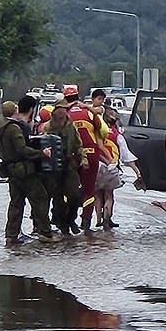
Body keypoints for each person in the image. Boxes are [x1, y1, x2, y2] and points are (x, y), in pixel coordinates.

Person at [0, 100, 56, 244]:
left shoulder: (0, 128)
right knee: (40, 198)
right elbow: (22, 149)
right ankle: (45, 233)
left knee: (16, 203)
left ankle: (11, 235)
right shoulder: (14, 128)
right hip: (24, 170)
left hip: (11, 170)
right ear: (14, 111)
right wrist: (42, 153)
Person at [62, 84, 109, 231]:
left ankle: (67, 219)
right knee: (89, 189)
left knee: (67, 188)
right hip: (91, 154)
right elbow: (103, 130)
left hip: (70, 155)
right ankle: (86, 221)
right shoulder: (88, 112)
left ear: (65, 98)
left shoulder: (62, 114)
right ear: (78, 97)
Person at [40, 100, 84, 235]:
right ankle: (63, 224)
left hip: (69, 163)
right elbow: (43, 145)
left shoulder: (71, 126)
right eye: (60, 109)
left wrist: (83, 157)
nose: (62, 111)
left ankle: (71, 220)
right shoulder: (48, 127)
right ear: (55, 110)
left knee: (75, 195)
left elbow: (78, 143)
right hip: (54, 166)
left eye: (65, 109)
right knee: (57, 198)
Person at [95, 108, 143, 230]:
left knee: (97, 195)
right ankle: (107, 219)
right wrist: (137, 172)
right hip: (111, 168)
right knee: (109, 195)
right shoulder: (118, 136)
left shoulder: (96, 133)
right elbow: (126, 156)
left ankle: (98, 219)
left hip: (97, 167)